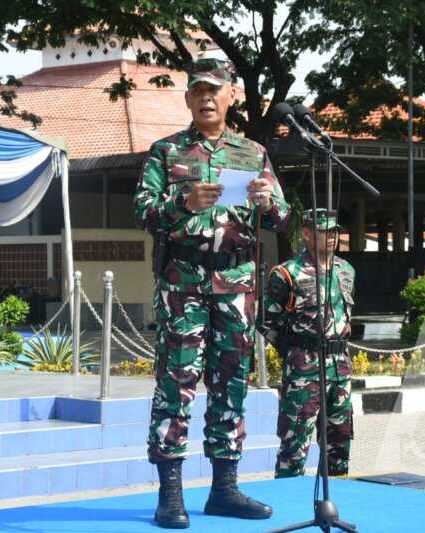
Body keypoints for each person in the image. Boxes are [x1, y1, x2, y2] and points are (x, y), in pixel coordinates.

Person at [134, 57, 290, 529]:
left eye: (215, 90)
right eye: (198, 90)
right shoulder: (167, 152)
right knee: (176, 384)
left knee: (231, 381)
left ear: (231, 97)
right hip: (183, 279)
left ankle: (224, 489)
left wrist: (269, 202)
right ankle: (171, 495)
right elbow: (143, 210)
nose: (206, 97)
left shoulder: (253, 152)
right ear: (187, 98)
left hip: (236, 281)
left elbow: (283, 215)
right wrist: (182, 202)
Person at [259, 209, 355, 479]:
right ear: (307, 233)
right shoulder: (287, 273)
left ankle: (338, 498)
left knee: (340, 440)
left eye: (335, 231)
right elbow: (267, 322)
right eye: (325, 231)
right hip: (304, 368)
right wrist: (297, 352)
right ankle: (290, 503)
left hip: (340, 367)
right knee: (295, 442)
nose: (332, 237)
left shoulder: (346, 270)